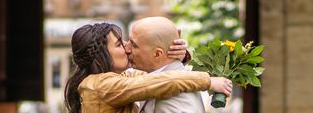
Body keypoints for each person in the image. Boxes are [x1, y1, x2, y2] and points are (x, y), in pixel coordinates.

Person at [64, 22, 232, 113]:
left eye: (131, 43)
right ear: (102, 55)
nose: (127, 47)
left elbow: (154, 74)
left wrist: (175, 55)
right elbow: (158, 82)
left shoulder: (109, 81)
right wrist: (209, 81)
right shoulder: (103, 85)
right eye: (119, 44)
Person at [126, 16, 208, 112]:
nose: (127, 48)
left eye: (134, 45)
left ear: (157, 54)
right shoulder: (168, 76)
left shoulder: (174, 99)